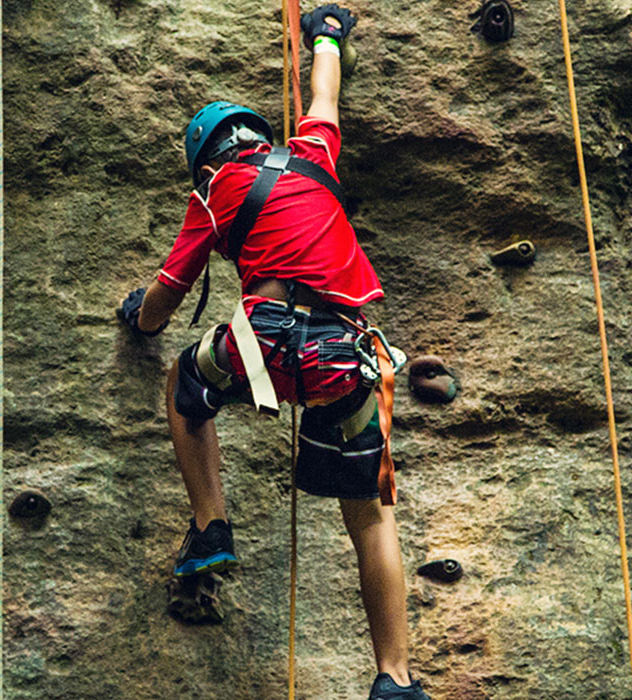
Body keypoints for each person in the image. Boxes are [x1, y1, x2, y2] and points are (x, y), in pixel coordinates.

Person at [115, 5, 428, 699]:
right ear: (259, 135)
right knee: (370, 515)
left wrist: (140, 316)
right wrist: (325, 32)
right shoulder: (312, 154)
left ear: (205, 160)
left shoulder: (214, 193)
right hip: (344, 359)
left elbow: (167, 297)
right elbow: (324, 96)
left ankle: (211, 527)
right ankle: (395, 679)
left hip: (261, 346)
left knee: (184, 383)